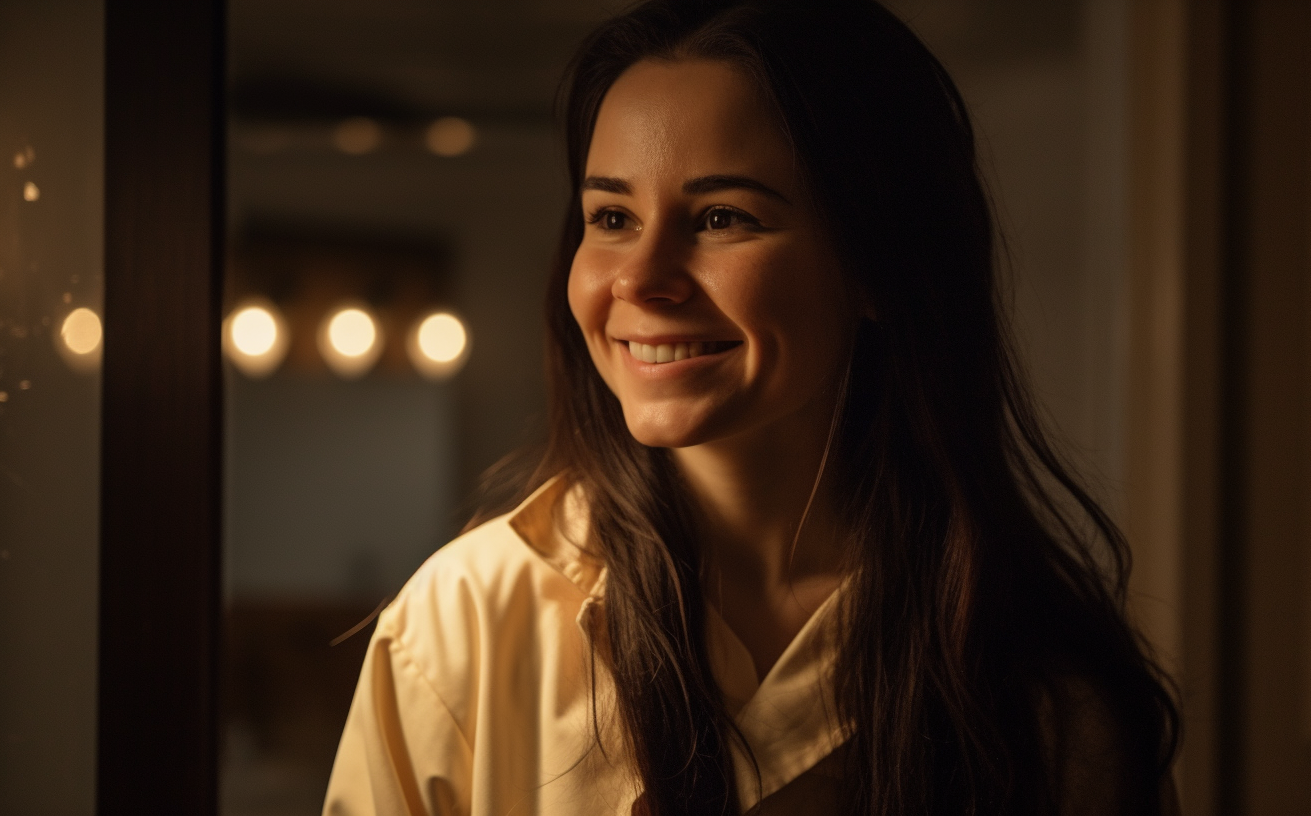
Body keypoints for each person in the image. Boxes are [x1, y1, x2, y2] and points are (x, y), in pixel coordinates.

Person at [323, 1, 1181, 814]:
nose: (640, 279)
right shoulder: (464, 627)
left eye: (723, 217)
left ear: (876, 263)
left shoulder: (1045, 695)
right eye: (612, 215)